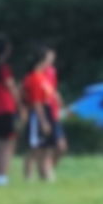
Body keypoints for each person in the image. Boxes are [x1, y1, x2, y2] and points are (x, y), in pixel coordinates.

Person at [20, 44, 65, 183]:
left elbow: (50, 93)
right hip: (38, 114)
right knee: (35, 148)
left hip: (47, 111)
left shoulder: (43, 76)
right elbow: (36, 102)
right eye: (49, 58)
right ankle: (28, 178)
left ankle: (45, 174)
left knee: (46, 147)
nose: (51, 61)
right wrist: (44, 121)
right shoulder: (34, 78)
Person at [0, 34, 18, 185]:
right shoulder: (3, 69)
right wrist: (21, 106)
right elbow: (12, 88)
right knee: (6, 144)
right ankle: (2, 175)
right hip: (5, 108)